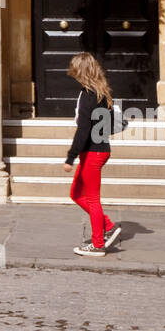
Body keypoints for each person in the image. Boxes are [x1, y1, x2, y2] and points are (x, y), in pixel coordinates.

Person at [62, 52, 122, 257]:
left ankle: (98, 244)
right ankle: (108, 226)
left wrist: (71, 156)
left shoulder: (89, 95)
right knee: (76, 193)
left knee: (93, 199)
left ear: (81, 71)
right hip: (97, 150)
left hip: (94, 152)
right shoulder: (101, 92)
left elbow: (83, 130)